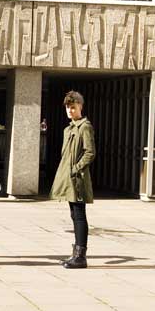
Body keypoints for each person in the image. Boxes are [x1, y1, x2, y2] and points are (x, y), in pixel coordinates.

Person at [49, 91, 96, 269]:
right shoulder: (69, 129)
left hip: (77, 178)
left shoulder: (84, 127)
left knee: (79, 215)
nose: (70, 110)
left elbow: (90, 152)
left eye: (73, 107)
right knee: (74, 215)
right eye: (68, 107)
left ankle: (80, 256)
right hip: (69, 178)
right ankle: (76, 253)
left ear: (80, 107)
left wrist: (76, 169)